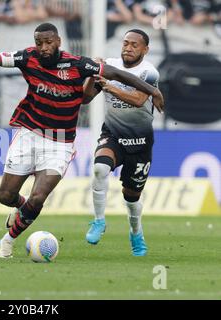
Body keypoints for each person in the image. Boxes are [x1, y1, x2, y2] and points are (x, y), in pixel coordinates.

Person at [0, 22, 164, 259]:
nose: (43, 47)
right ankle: (21, 209)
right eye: (39, 42)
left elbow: (116, 74)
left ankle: (8, 240)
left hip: (60, 143)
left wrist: (152, 91)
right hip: (29, 134)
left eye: (48, 42)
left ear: (58, 42)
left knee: (38, 197)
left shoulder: (78, 64)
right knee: (5, 197)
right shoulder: (27, 58)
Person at [82, 29, 163, 256]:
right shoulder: (108, 65)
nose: (128, 47)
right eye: (125, 43)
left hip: (140, 142)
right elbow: (86, 98)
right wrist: (92, 74)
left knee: (132, 196)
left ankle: (136, 232)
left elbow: (138, 100)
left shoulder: (149, 72)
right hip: (113, 134)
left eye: (134, 45)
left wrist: (109, 85)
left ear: (145, 50)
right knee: (99, 168)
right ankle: (98, 221)